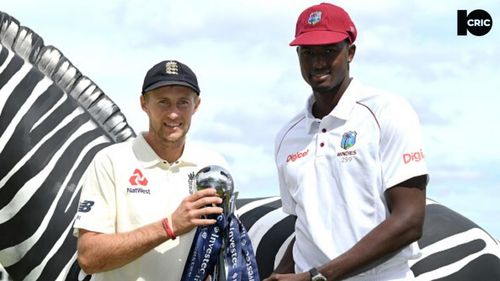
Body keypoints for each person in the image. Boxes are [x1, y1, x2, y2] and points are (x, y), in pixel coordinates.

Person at [267, 3, 429, 281]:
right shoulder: (287, 136)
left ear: (350, 52)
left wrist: (317, 277)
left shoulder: (387, 112)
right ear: (298, 56)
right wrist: (279, 273)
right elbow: (307, 229)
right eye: (308, 52)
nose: (317, 62)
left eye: (329, 51)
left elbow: (409, 222)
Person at [73, 60, 228, 280]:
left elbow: (224, 250)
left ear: (197, 104)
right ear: (144, 103)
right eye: (163, 102)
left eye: (183, 102)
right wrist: (170, 226)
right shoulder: (110, 161)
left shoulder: (213, 165)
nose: (173, 114)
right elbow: (89, 257)